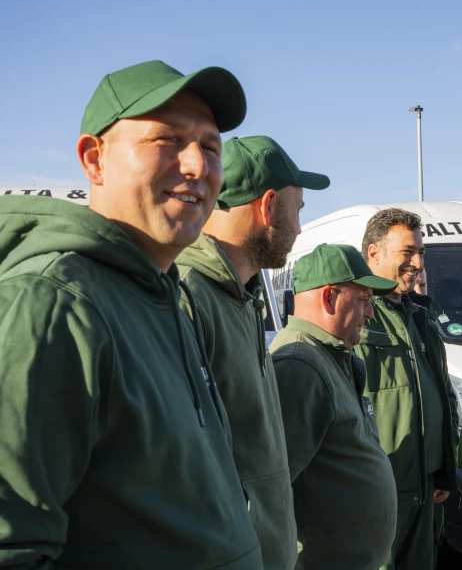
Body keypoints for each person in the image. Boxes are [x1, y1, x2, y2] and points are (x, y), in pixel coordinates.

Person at [0, 60, 263, 567]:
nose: (198, 166)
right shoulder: (52, 303)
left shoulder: (162, 294)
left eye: (211, 147)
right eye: (168, 139)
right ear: (94, 160)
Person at [176, 135, 329, 569]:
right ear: (267, 207)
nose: (299, 228)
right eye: (298, 209)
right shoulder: (188, 295)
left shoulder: (238, 299)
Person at [270, 243, 399, 570]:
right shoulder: (299, 366)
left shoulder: (329, 357)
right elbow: (269, 487)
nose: (371, 313)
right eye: (364, 300)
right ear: (328, 298)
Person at [354, 208, 459, 570]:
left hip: (423, 482)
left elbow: (442, 392)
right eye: (407, 253)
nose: (417, 263)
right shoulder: (358, 311)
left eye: (421, 253)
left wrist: (443, 467)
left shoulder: (420, 314)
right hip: (379, 487)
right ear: (373, 254)